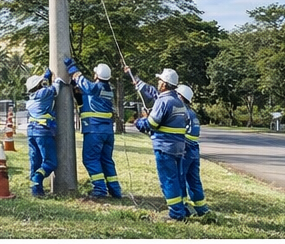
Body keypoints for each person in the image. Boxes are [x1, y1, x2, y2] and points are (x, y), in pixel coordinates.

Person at [129, 66, 190, 220]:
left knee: (168, 180)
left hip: (165, 147)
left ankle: (176, 214)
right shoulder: (179, 102)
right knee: (176, 178)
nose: (158, 83)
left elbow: (152, 124)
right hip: (178, 147)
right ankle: (181, 209)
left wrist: (139, 121)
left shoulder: (163, 101)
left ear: (164, 84)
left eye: (160, 80)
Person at [69, 61, 123, 200]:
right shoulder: (107, 90)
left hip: (95, 131)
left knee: (90, 159)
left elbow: (84, 83)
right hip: (107, 133)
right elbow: (84, 98)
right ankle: (115, 190)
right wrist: (76, 90)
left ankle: (99, 189)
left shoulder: (95, 88)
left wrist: (72, 67)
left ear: (96, 75)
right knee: (106, 160)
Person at [25, 71, 58, 197]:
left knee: (35, 160)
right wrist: (56, 79)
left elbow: (44, 88)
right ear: (39, 85)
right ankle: (38, 178)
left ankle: (36, 190)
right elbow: (56, 88)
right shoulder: (45, 93)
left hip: (31, 132)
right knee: (50, 162)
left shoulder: (31, 98)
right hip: (43, 132)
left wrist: (45, 78)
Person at [179, 84, 209, 217]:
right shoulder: (193, 114)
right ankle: (202, 209)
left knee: (180, 177)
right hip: (194, 150)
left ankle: (183, 207)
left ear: (181, 96)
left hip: (185, 149)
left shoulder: (181, 112)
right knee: (194, 180)